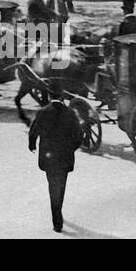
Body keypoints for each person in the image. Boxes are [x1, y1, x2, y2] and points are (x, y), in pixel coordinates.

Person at [28, 93, 84, 233]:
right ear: (61, 98)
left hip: (49, 157)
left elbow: (34, 131)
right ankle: (58, 212)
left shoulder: (43, 112)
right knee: (61, 186)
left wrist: (32, 145)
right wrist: (71, 148)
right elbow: (79, 135)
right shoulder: (70, 113)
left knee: (52, 185)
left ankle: (57, 219)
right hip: (64, 157)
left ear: (50, 96)